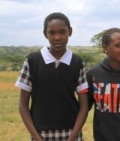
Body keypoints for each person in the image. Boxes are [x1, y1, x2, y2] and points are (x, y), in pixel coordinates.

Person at [15, 12, 89, 141]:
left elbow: (84, 106)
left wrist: (72, 137)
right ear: (45, 34)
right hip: (40, 134)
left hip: (72, 133)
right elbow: (23, 105)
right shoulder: (33, 61)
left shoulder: (77, 62)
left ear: (70, 32)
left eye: (62, 32)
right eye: (52, 33)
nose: (57, 37)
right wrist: (37, 138)